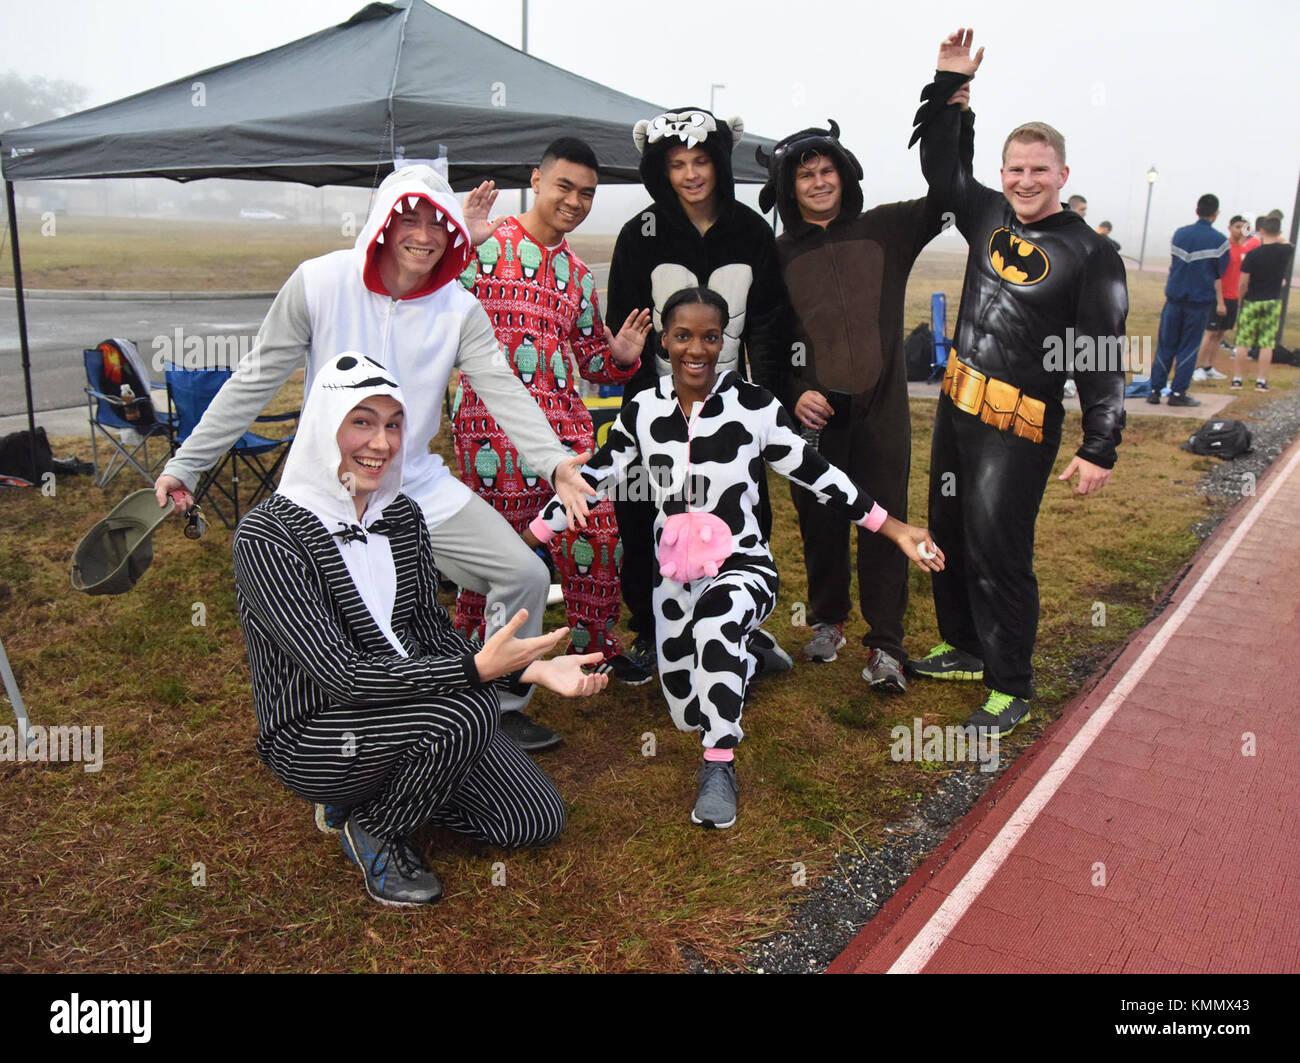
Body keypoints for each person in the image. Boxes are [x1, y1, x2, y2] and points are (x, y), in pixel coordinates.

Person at [155, 164, 593, 753]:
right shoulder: (320, 282)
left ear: (453, 236)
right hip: (328, 489)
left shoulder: (457, 309)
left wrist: (557, 462)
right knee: (352, 621)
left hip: (415, 484)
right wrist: (187, 463)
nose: (423, 234)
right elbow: (256, 377)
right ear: (382, 225)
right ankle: (342, 737)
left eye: (437, 223)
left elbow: (503, 389)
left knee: (524, 574)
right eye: (408, 218)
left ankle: (499, 706)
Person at [526, 288, 942, 829]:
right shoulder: (643, 408)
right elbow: (593, 479)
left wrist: (895, 528)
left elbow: (817, 475)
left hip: (743, 567)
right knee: (686, 711)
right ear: (664, 341)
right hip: (676, 580)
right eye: (682, 336)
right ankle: (752, 656)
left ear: (724, 341)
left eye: (709, 337)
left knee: (716, 632)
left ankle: (719, 767)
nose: (695, 349)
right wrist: (531, 538)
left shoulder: (754, 407)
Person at [231, 353, 608, 907]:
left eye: (393, 424)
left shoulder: (402, 515)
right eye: (361, 421)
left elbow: (431, 635)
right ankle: (376, 829)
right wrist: (474, 672)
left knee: (534, 821)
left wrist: (532, 668)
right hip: (316, 732)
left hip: (412, 708)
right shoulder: (269, 536)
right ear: (322, 427)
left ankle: (386, 788)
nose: (381, 443)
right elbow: (342, 678)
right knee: (471, 710)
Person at [908, 28, 1127, 736]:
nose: (1025, 181)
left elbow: (1098, 353)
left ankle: (1011, 685)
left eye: (1039, 170)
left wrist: (1101, 445)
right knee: (948, 529)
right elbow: (943, 170)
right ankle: (966, 646)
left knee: (999, 548)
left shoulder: (1091, 254)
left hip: (1020, 426)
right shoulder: (988, 213)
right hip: (957, 406)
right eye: (1014, 169)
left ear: (1063, 173)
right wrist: (946, 88)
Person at [755, 100, 971, 691]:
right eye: (805, 174)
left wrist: (952, 109)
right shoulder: (775, 256)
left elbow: (947, 193)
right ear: (788, 186)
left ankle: (887, 645)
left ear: (845, 175)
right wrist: (794, 393)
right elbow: (768, 345)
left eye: (827, 170)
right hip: (817, 419)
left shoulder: (887, 229)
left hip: (882, 413)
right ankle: (827, 619)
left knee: (884, 522)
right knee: (820, 520)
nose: (819, 182)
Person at [452, 138, 652, 690]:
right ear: (536, 181)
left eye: (587, 193)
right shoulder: (482, 246)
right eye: (564, 186)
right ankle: (477, 664)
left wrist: (622, 359)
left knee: (599, 538)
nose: (575, 200)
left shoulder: (579, 274)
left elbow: (592, 358)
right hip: (488, 430)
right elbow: (419, 301)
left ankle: (596, 655)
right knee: (499, 554)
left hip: (567, 435)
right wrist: (459, 243)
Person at [604, 106, 793, 682]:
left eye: (701, 161)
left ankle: (741, 624)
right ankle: (651, 630)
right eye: (678, 163)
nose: (690, 174)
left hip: (732, 406)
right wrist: (628, 364)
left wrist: (769, 404)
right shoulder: (639, 233)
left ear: (720, 163)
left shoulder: (752, 231)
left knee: (743, 513)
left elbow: (767, 325)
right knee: (645, 514)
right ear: (662, 168)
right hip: (658, 413)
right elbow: (625, 325)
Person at [1145, 193, 1230, 407]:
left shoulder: (1180, 234)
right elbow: (1221, 271)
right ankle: (1177, 393)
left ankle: (1155, 390)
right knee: (1189, 347)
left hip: (1173, 299)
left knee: (1165, 345)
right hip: (1198, 302)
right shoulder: (1219, 241)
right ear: (1215, 213)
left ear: (1196, 210)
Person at [1231, 215, 1293, 391]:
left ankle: (1237, 379)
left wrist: (1241, 299)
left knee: (1243, 341)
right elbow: (1285, 241)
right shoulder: (1285, 251)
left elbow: (1243, 282)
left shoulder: (1253, 254)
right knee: (1267, 343)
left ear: (1262, 231)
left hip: (1252, 300)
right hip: (1272, 301)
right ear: (1279, 231)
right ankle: (1261, 381)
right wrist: (1276, 234)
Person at [1193, 214, 1250, 381]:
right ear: (1230, 228)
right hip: (1219, 297)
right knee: (1210, 333)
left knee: (1219, 335)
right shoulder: (1224, 247)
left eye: (1243, 227)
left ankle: (1209, 365)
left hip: (1233, 297)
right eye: (1237, 227)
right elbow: (1216, 274)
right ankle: (1198, 367)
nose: (1240, 231)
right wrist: (1219, 300)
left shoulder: (1243, 250)